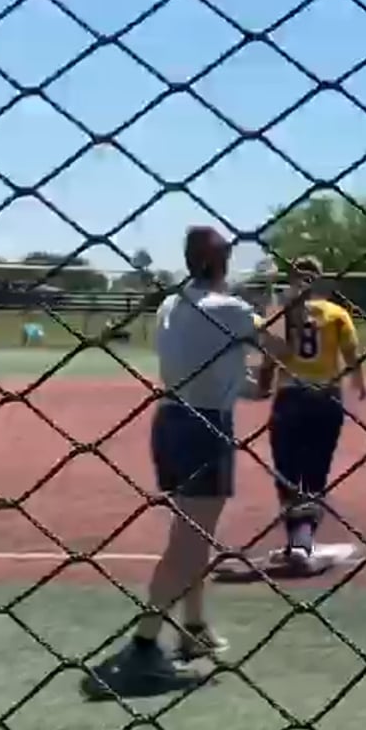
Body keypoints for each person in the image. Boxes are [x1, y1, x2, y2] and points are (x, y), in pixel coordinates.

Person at [83, 227, 290, 698]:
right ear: (220, 262)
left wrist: (257, 364)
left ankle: (193, 626)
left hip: (171, 421)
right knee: (188, 543)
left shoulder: (172, 305)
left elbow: (237, 379)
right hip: (205, 429)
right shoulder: (231, 310)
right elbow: (282, 348)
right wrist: (278, 306)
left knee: (194, 534)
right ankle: (143, 644)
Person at [251, 257, 366, 576]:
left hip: (290, 397)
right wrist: (359, 382)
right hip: (326, 398)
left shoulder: (281, 312)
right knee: (316, 472)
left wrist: (262, 386)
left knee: (287, 473)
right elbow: (351, 355)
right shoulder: (335, 313)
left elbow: (269, 358)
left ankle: (298, 541)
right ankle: (302, 542)